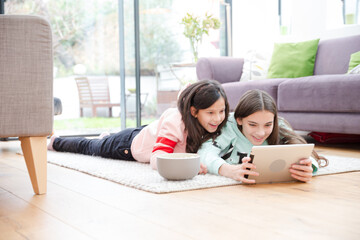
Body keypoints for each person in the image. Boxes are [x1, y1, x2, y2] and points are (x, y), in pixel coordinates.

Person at [48, 79, 230, 173]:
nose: (218, 118)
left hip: (146, 133)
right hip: (128, 146)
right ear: (193, 111)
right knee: (90, 147)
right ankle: (56, 142)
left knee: (106, 141)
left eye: (222, 111)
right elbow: (157, 158)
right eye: (211, 113)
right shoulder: (176, 122)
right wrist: (188, 165)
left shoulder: (212, 121)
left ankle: (106, 138)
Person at [198, 89, 328, 183]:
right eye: (253, 125)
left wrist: (308, 168)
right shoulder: (228, 126)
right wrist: (228, 170)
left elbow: (303, 150)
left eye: (267, 125)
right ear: (239, 120)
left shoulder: (279, 124)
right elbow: (204, 154)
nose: (261, 133)